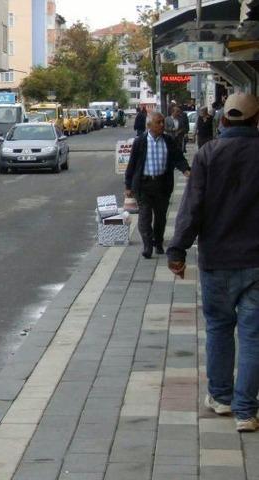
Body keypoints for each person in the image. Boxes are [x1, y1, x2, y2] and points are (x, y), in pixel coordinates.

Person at [166, 93, 259, 433]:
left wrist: (177, 251)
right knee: (253, 336)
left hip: (217, 260)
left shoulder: (208, 154)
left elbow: (193, 207)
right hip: (255, 263)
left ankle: (221, 398)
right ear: (255, 120)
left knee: (219, 328)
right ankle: (246, 412)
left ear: (222, 121)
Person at [124, 111, 191, 259]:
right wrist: (128, 186)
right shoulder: (140, 142)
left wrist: (186, 170)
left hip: (162, 185)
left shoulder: (168, 140)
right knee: (145, 217)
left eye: (163, 122)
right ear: (149, 125)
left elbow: (178, 157)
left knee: (161, 217)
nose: (162, 125)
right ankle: (148, 245)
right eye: (159, 122)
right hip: (143, 185)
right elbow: (132, 165)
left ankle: (158, 241)